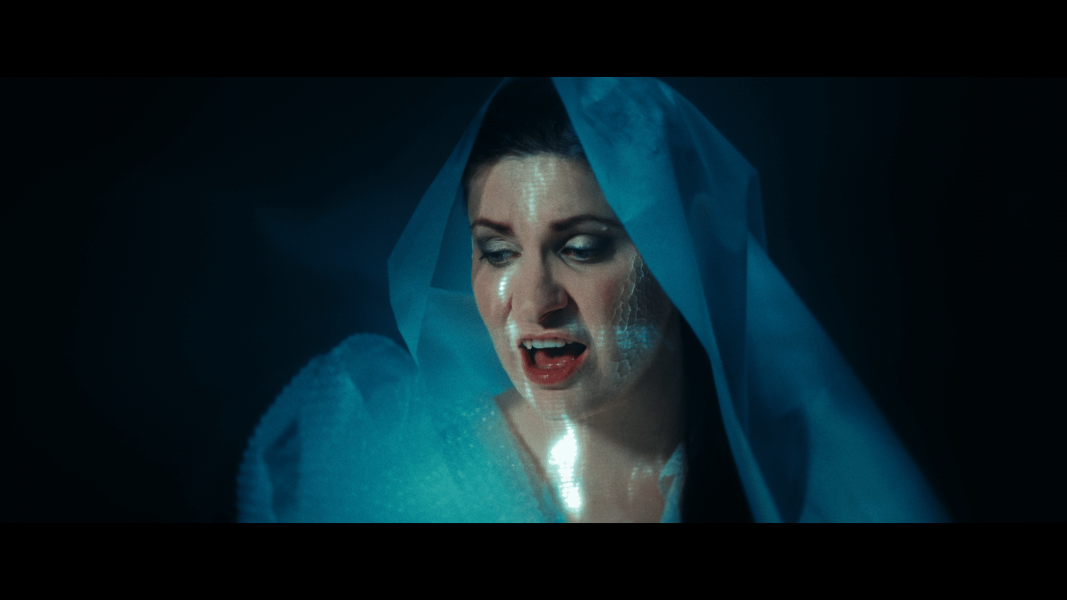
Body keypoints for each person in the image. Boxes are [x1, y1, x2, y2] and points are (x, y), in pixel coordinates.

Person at [237, 78, 949, 522]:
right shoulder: (369, 459)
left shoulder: (810, 481)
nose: (534, 303)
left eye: (580, 247)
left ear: (682, 259)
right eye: (497, 251)